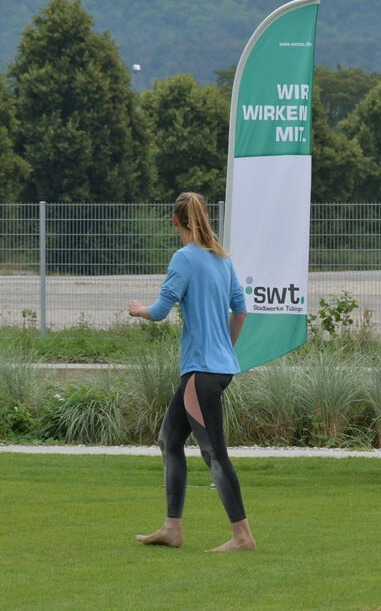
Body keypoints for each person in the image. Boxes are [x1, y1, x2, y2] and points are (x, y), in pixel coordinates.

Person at [128, 191, 255, 551]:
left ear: (175, 221)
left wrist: (138, 309)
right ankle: (172, 528)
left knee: (214, 453)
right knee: (170, 439)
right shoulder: (221, 260)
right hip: (217, 368)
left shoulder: (183, 259)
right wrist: (225, 349)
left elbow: (159, 312)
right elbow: (241, 312)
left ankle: (243, 536)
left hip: (200, 371)